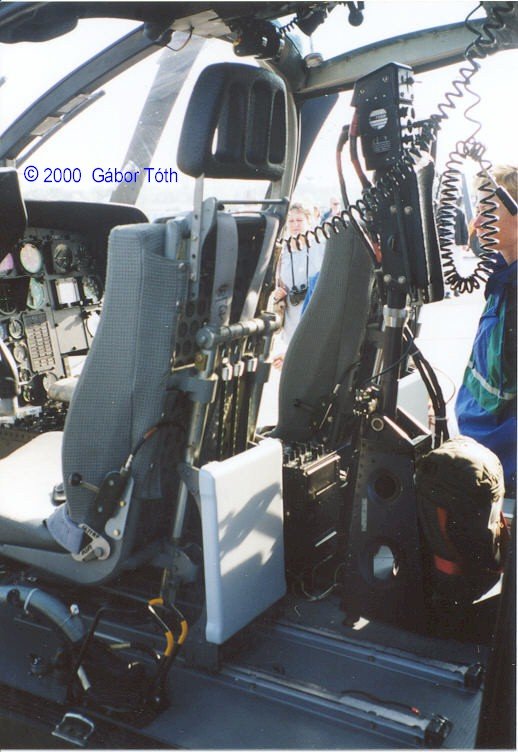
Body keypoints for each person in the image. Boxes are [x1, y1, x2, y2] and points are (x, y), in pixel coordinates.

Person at [455, 164, 517, 497]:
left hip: (503, 470)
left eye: (489, 211)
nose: (477, 222)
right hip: (480, 453)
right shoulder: (501, 278)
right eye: (478, 210)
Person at [271, 203, 325, 368]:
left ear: (309, 221)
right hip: (291, 315)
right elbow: (274, 285)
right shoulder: (282, 252)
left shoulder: (320, 246)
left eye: (299, 220)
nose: (295, 225)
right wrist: (276, 294)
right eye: (291, 221)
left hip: (314, 312)